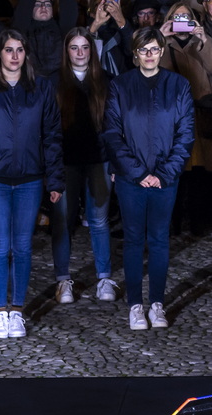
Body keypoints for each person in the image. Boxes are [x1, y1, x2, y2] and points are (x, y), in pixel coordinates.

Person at [0, 31, 64, 340]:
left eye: (20, 50)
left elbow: (52, 136)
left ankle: (17, 311)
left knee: (21, 247)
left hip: (30, 179)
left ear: (26, 55)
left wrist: (55, 179)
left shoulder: (41, 88)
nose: (14, 56)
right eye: (9, 50)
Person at [100, 27, 195, 330]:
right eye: (144, 50)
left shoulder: (178, 85)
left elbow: (185, 133)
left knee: (159, 240)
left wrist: (164, 173)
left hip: (165, 179)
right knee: (132, 240)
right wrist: (138, 172)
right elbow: (113, 133)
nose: (150, 55)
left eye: (155, 49)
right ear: (135, 53)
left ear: (162, 51)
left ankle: (157, 303)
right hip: (132, 179)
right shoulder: (121, 85)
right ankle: (135, 305)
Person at [57, 27, 114, 300]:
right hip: (66, 162)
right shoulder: (55, 83)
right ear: (66, 52)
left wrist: (114, 163)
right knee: (64, 220)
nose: (80, 53)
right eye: (74, 47)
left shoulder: (106, 82)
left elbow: (115, 127)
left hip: (98, 161)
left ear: (92, 51)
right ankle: (63, 279)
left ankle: (104, 278)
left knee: (99, 221)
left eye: (85, 47)